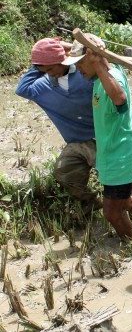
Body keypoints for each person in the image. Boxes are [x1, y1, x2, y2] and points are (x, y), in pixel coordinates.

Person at [65, 34, 132, 240]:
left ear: (94, 59)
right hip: (114, 153)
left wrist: (97, 62)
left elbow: (120, 99)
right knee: (124, 201)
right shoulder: (101, 77)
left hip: (120, 156)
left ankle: (131, 244)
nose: (78, 69)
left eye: (80, 63)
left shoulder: (111, 78)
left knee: (112, 211)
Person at [15, 37, 102, 215]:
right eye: (43, 70)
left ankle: (123, 206)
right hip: (77, 142)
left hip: (102, 137)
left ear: (62, 60)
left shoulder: (84, 72)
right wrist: (40, 61)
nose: (49, 73)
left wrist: (69, 50)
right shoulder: (43, 86)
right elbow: (21, 89)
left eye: (51, 68)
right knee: (64, 172)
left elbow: (109, 73)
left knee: (115, 181)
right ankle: (93, 202)